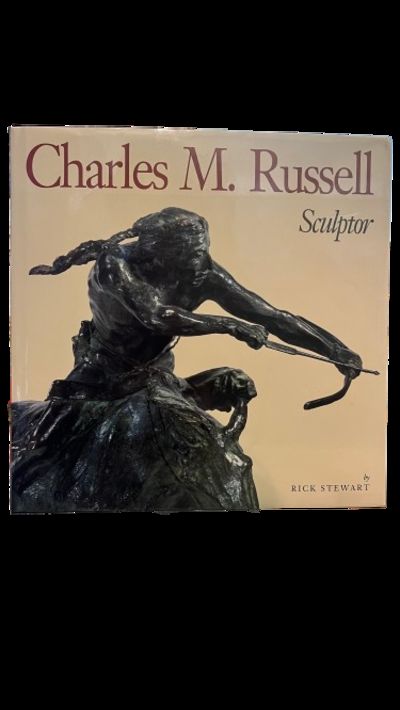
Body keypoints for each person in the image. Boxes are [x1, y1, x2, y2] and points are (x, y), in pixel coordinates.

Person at [11, 208, 362, 513]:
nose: (200, 261)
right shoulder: (115, 264)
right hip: (102, 378)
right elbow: (157, 316)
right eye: (192, 254)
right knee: (54, 458)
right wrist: (230, 325)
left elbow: (272, 316)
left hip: (156, 375)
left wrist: (335, 350)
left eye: (203, 251)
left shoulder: (201, 272)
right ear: (160, 254)